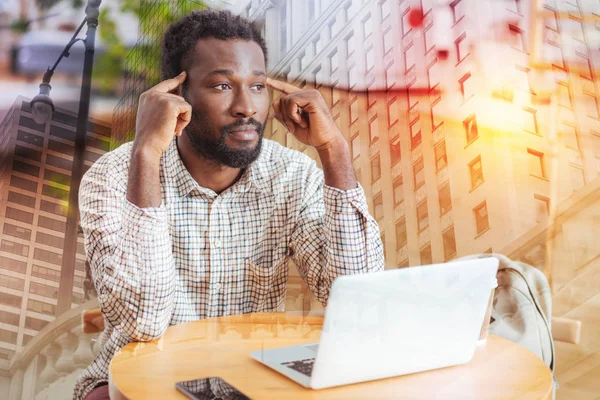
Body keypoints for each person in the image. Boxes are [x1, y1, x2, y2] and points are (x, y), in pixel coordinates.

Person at [74, 9, 384, 400]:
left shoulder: (292, 176)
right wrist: (146, 156)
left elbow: (355, 299)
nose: (247, 107)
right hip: (142, 379)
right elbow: (143, 321)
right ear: (174, 96)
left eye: (257, 86)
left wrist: (334, 150)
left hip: (251, 378)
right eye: (222, 86)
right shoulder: (114, 177)